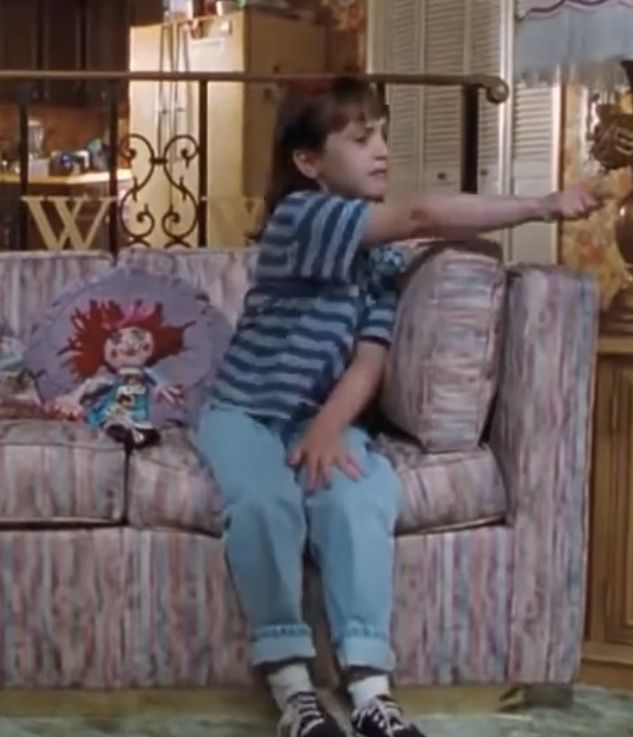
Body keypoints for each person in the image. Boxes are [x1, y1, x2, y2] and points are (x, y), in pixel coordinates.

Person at [194, 77, 601, 737]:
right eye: (360, 139)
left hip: (319, 415)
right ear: (308, 163)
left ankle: (370, 688)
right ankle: (293, 687)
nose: (381, 149)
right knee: (265, 502)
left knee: (357, 496)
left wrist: (331, 424)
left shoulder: (379, 257)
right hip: (244, 411)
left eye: (382, 133)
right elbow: (420, 217)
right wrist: (539, 204)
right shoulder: (302, 217)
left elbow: (371, 353)